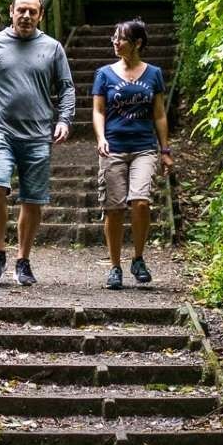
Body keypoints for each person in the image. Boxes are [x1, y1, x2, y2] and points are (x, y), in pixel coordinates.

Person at [0, 0, 74, 286]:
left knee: (33, 200)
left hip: (37, 135)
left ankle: (23, 259)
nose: (26, 16)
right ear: (10, 11)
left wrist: (64, 119)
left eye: (32, 11)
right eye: (21, 10)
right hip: (0, 132)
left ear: (40, 15)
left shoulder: (52, 48)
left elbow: (67, 88)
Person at [90, 17, 171, 289]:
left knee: (140, 201)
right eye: (114, 37)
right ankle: (114, 266)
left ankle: (138, 258)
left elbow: (159, 114)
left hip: (144, 147)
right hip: (113, 147)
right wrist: (100, 138)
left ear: (137, 43)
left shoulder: (154, 74)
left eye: (121, 38)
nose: (115, 41)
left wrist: (165, 149)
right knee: (113, 209)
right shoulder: (104, 74)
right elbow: (98, 110)